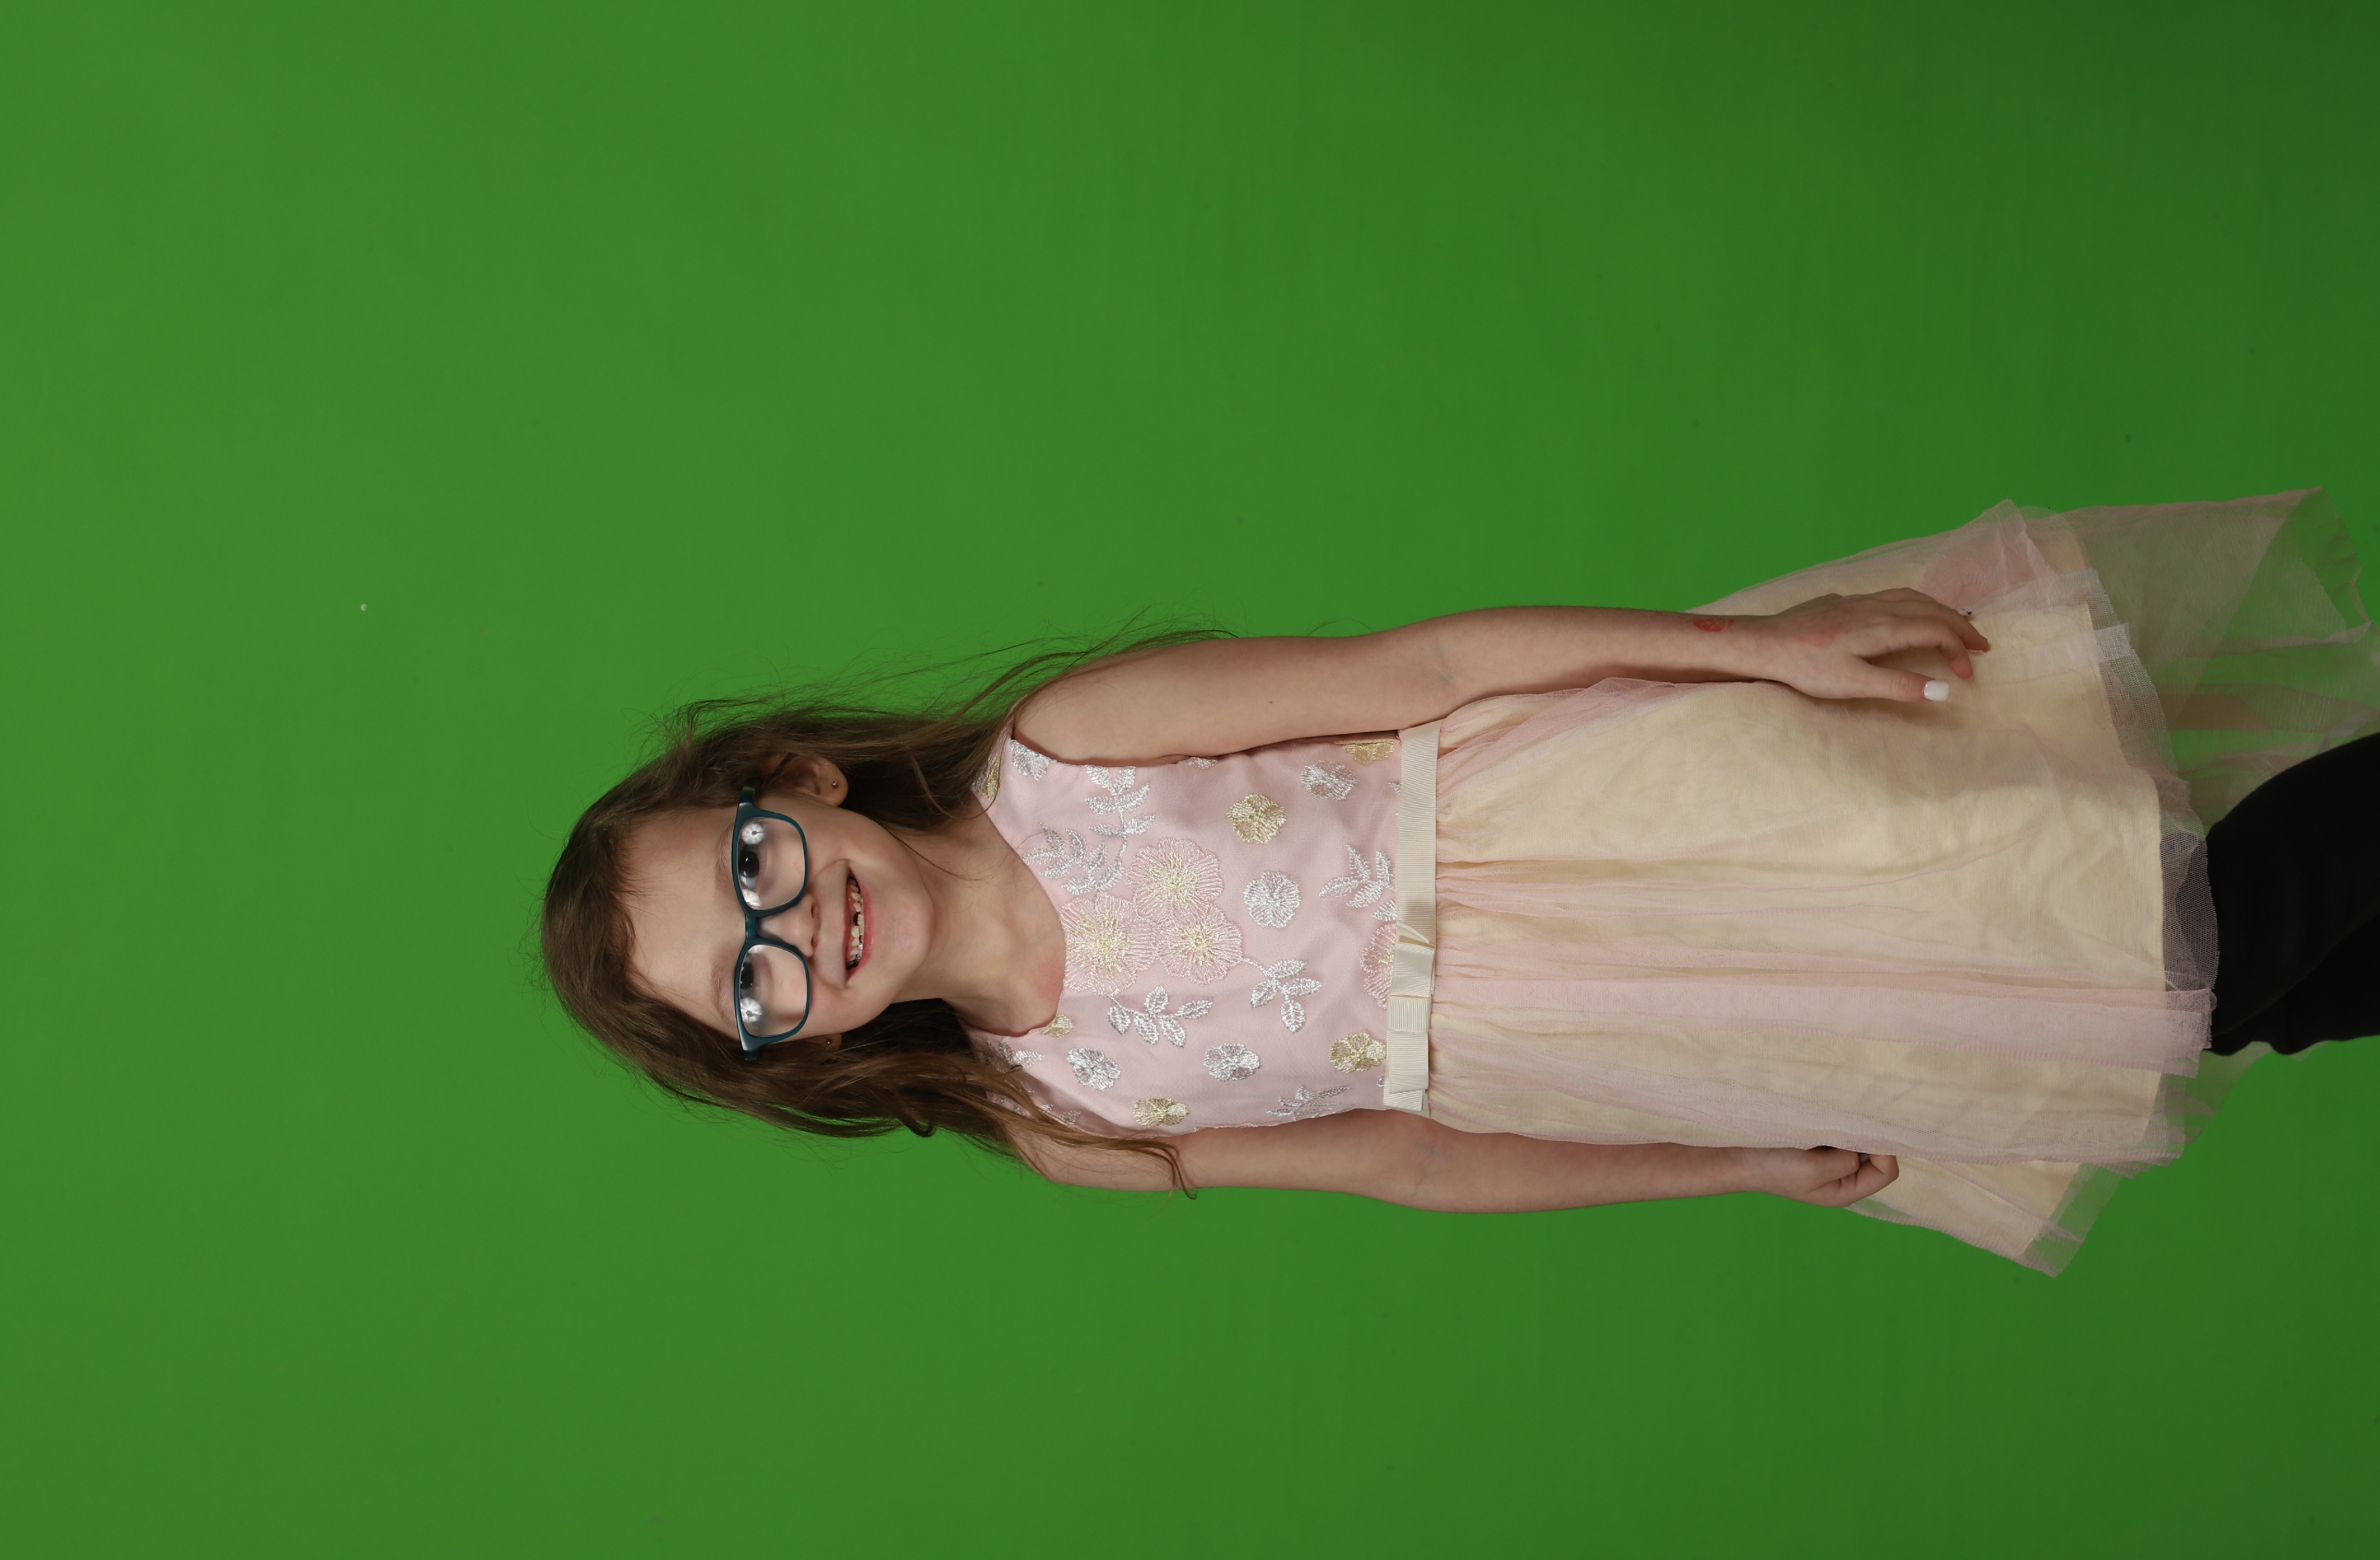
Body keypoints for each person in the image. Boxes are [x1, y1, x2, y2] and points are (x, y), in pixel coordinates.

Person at [541, 490, 2380, 1272]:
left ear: (796, 781)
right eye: (755, 981)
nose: (800, 932)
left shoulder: (1076, 745)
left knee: (2160, 954)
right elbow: (1415, 1162)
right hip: (1634, 1033)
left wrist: (1759, 649)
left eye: (757, 869)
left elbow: (1421, 667)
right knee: (2163, 1010)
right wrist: (1731, 1161)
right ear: (790, 1048)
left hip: (1628, 822)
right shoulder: (1067, 1117)